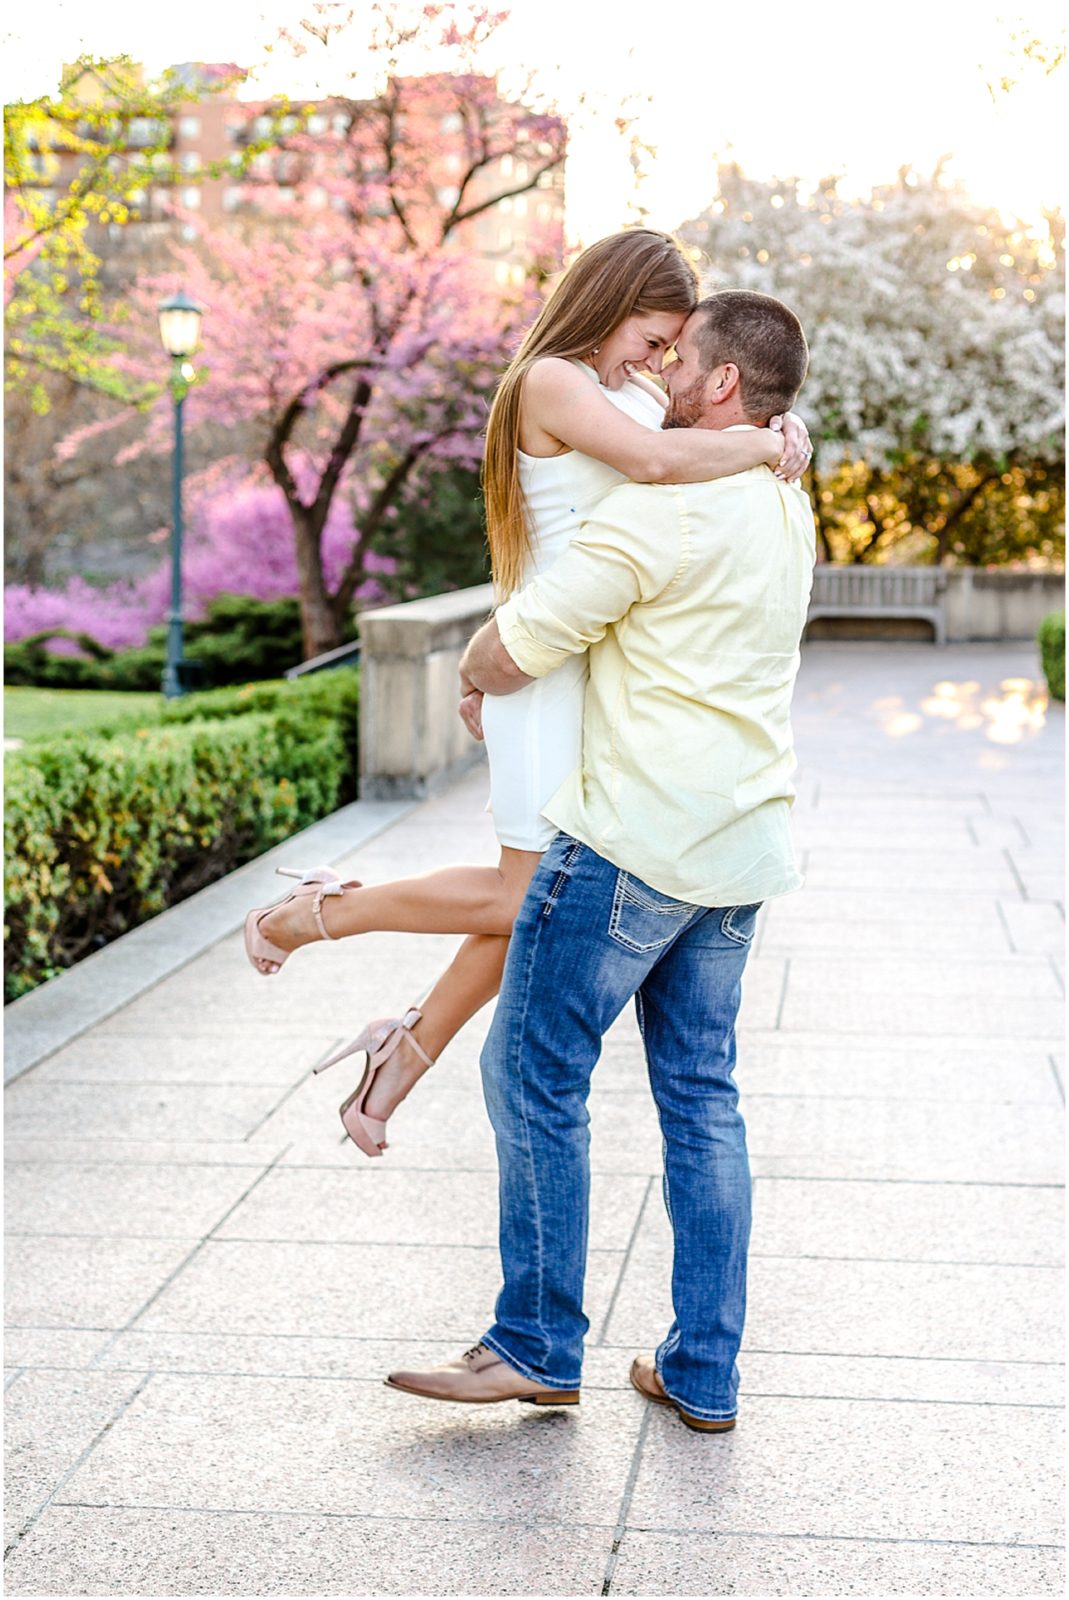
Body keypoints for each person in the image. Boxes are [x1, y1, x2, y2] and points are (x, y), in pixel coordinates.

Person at [242, 232, 812, 1158]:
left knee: (545, 899)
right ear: (609, 300)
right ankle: (315, 916)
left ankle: (400, 1053)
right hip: (539, 671)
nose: (658, 359)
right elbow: (665, 467)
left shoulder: (629, 390)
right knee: (528, 897)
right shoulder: (550, 379)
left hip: (590, 673)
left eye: (673, 348)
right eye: (649, 333)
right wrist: (765, 440)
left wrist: (775, 431)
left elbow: (690, 449)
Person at [384, 289, 816, 1433]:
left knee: (530, 1074)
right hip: (741, 843)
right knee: (701, 1100)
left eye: (683, 366)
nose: (663, 382)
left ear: (724, 386)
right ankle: (701, 1370)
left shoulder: (656, 509)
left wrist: (473, 672)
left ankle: (531, 1343)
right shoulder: (785, 501)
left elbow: (519, 639)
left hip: (632, 843)